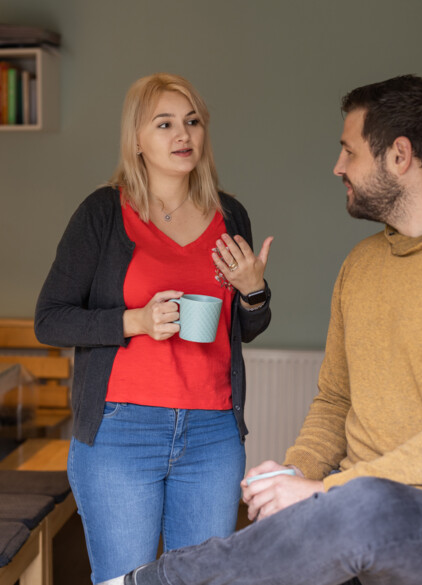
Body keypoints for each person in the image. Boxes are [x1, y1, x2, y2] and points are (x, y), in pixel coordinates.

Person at [116, 74, 422, 585]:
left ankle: (148, 583)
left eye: (348, 151)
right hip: (361, 503)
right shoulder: (363, 264)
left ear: (399, 155)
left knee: (357, 507)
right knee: (336, 509)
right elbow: (334, 401)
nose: (337, 167)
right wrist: (296, 474)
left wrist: (328, 491)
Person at [34, 73, 273, 584]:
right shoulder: (103, 213)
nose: (182, 135)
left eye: (191, 122)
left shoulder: (230, 216)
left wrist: (253, 290)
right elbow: (50, 318)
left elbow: (247, 328)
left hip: (212, 434)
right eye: (164, 124)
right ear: (136, 141)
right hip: (122, 432)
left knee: (201, 579)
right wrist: (134, 321)